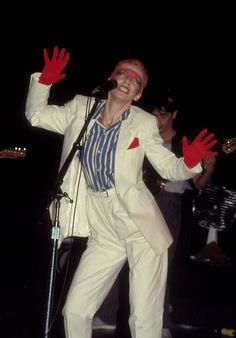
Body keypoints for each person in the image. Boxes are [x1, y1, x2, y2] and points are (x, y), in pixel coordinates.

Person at [25, 46, 218, 338]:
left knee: (143, 320)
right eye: (122, 73)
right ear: (110, 78)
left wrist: (190, 163)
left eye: (136, 80)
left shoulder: (144, 122)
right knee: (74, 311)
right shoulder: (81, 107)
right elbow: (36, 115)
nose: (128, 79)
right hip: (103, 227)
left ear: (138, 94)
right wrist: (44, 82)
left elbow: (169, 168)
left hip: (140, 227)